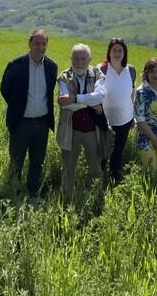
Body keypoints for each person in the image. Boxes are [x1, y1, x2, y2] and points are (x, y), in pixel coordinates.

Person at [0, 29, 58, 201]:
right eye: (37, 43)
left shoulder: (51, 67)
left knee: (37, 162)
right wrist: (18, 106)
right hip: (21, 123)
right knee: (16, 161)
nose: (40, 47)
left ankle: (33, 194)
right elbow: (5, 89)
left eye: (43, 44)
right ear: (30, 44)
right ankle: (14, 193)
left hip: (41, 124)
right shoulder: (16, 65)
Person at [56, 43, 108, 200]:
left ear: (90, 59)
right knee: (68, 168)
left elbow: (100, 96)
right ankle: (67, 200)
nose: (79, 62)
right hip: (71, 130)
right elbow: (65, 103)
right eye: (76, 59)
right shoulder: (64, 77)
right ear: (70, 59)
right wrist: (92, 103)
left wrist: (76, 98)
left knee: (95, 168)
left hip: (93, 131)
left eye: (83, 59)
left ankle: (96, 198)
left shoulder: (98, 74)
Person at [101, 38, 137, 182]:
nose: (117, 53)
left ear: (124, 53)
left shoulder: (131, 70)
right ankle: (100, 178)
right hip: (105, 119)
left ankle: (115, 177)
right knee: (103, 151)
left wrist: (133, 116)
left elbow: (132, 93)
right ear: (109, 52)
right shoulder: (101, 69)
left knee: (118, 150)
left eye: (120, 50)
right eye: (114, 50)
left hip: (125, 119)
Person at [134, 57, 157, 175]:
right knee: (152, 172)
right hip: (146, 140)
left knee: (154, 172)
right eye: (152, 72)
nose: (155, 75)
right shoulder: (141, 92)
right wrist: (155, 140)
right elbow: (140, 120)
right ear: (146, 73)